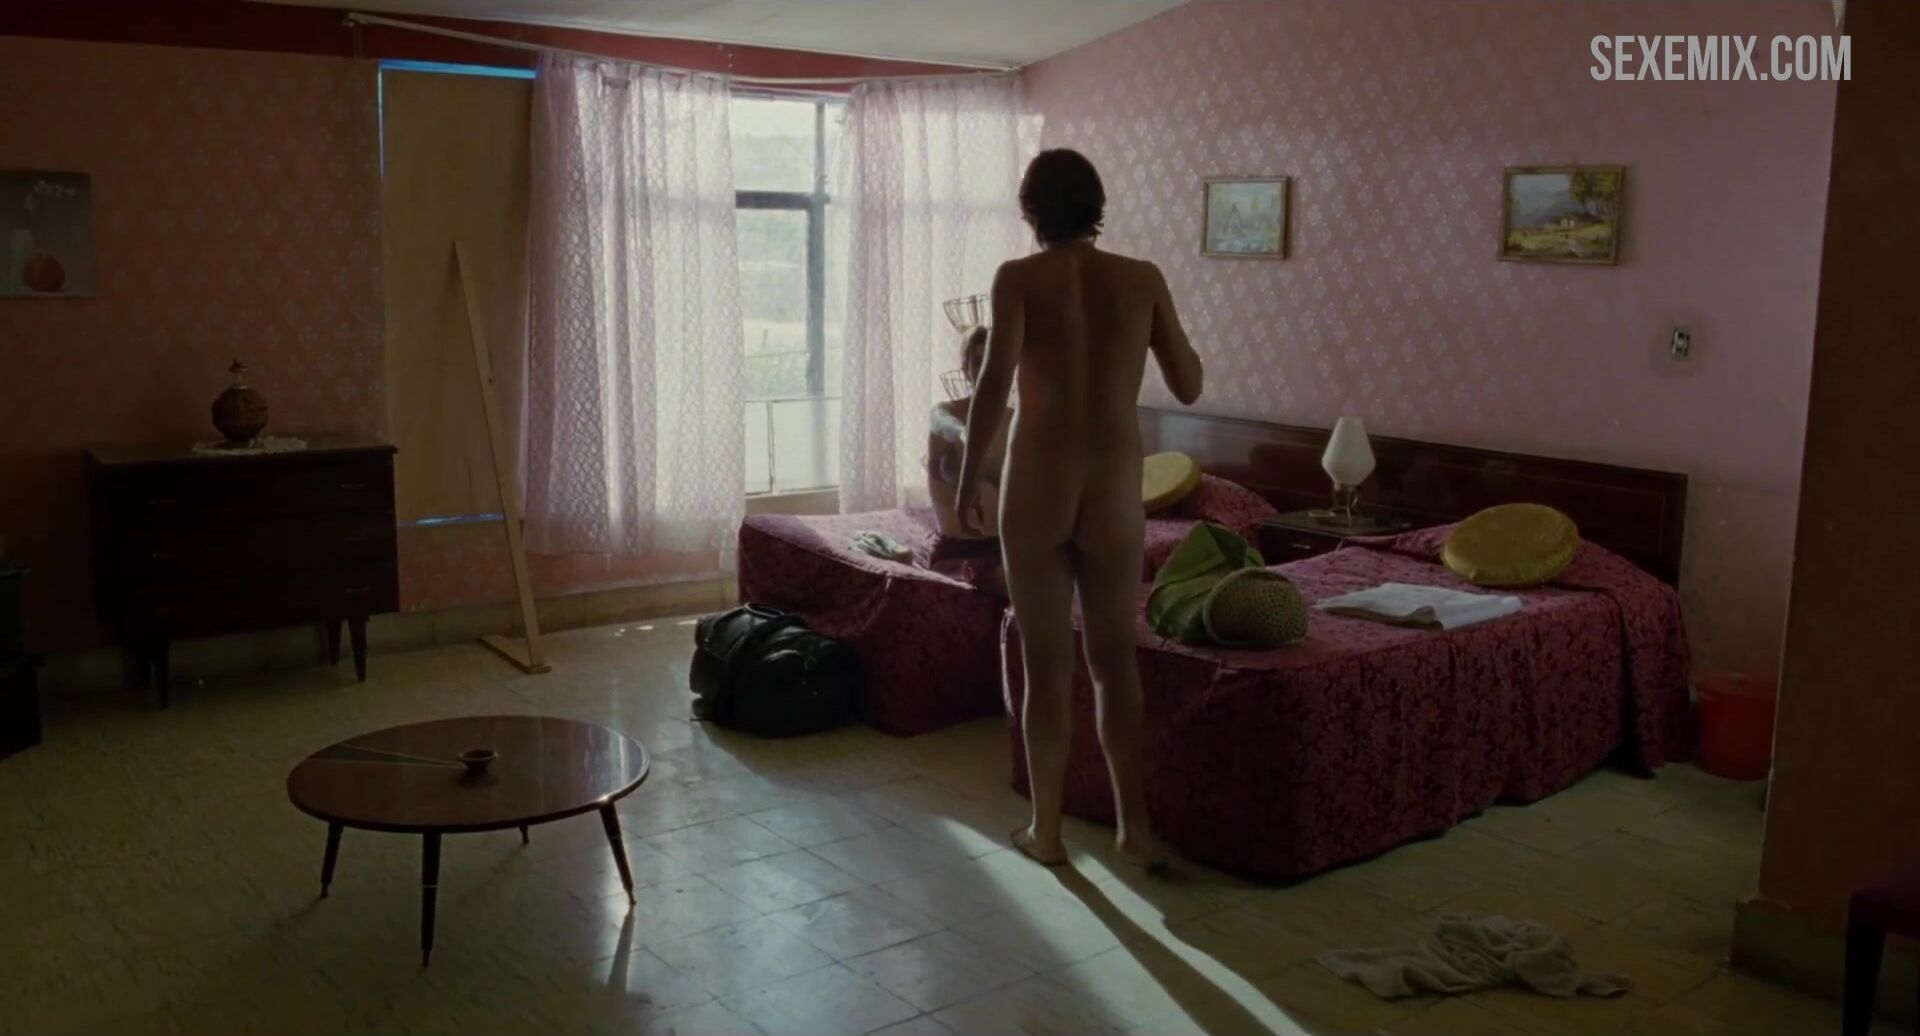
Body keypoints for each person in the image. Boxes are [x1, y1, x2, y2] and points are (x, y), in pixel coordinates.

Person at [956, 148, 1203, 867]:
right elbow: (1189, 385)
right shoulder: (1142, 278)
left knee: (1046, 664)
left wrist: (971, 479)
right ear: (1097, 207)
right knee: (1113, 662)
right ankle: (1135, 828)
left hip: (1038, 480)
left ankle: (1048, 832)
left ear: (1031, 212)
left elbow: (993, 383)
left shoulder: (1017, 278)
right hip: (1114, 485)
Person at [926, 326, 1011, 594]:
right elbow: (942, 424)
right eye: (977, 361)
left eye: (993, 361)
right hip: (962, 553)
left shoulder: (1016, 421)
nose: (986, 370)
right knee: (1025, 585)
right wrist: (966, 435)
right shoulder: (946, 413)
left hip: (1009, 547)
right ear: (965, 369)